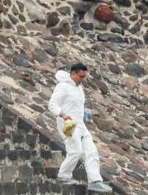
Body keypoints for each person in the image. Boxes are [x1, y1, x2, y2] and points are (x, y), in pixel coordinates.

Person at [47, 63, 113, 193]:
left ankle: (95, 181)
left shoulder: (79, 88)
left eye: (84, 77)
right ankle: (63, 176)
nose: (82, 79)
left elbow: (76, 105)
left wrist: (84, 111)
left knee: (91, 151)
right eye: (80, 76)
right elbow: (52, 105)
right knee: (75, 150)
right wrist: (63, 114)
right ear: (73, 73)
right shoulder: (63, 87)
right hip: (67, 124)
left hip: (80, 124)